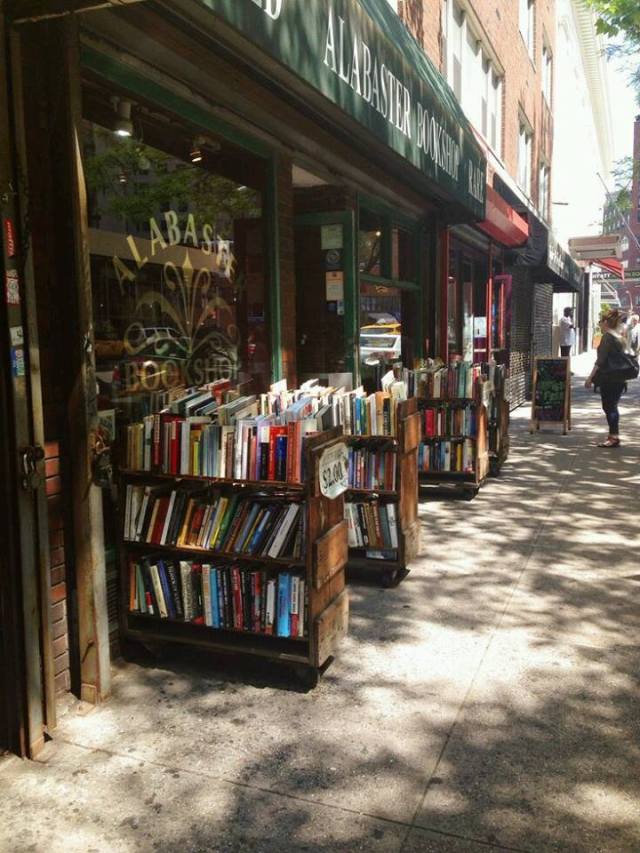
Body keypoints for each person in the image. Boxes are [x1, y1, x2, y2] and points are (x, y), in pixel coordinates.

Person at [585, 308, 628, 447]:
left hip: (609, 378)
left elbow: (600, 361)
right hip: (619, 378)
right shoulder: (619, 337)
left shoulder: (607, 338)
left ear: (605, 322)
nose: (599, 324)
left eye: (600, 322)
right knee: (612, 406)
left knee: (609, 407)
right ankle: (613, 435)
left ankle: (614, 437)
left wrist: (590, 378)